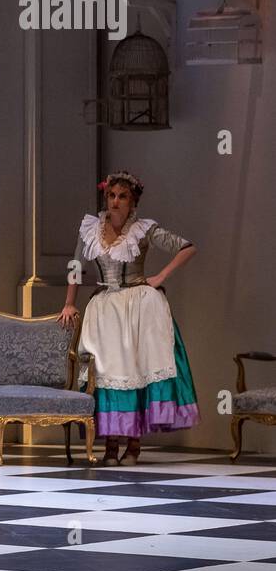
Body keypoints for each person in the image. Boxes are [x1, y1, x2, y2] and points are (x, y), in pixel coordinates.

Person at [58, 171, 198, 466]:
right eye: (111, 196)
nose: (115, 201)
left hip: (139, 305)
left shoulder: (144, 229)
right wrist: (70, 302)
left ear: (132, 201)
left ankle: (133, 445)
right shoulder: (90, 228)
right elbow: (75, 264)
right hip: (105, 307)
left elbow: (187, 247)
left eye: (122, 196)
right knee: (108, 373)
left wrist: (159, 277)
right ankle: (110, 445)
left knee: (137, 369)